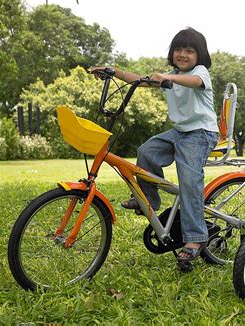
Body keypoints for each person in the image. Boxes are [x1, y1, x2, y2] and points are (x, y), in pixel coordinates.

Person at [90, 27, 219, 263]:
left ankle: (196, 237)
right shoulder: (169, 76)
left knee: (188, 178)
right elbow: (138, 80)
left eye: (190, 51)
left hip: (201, 133)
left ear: (200, 55)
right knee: (146, 151)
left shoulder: (200, 73)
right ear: (171, 53)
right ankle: (149, 201)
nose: (183, 54)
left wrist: (168, 77)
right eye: (178, 49)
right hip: (179, 132)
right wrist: (113, 71)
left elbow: (194, 81)